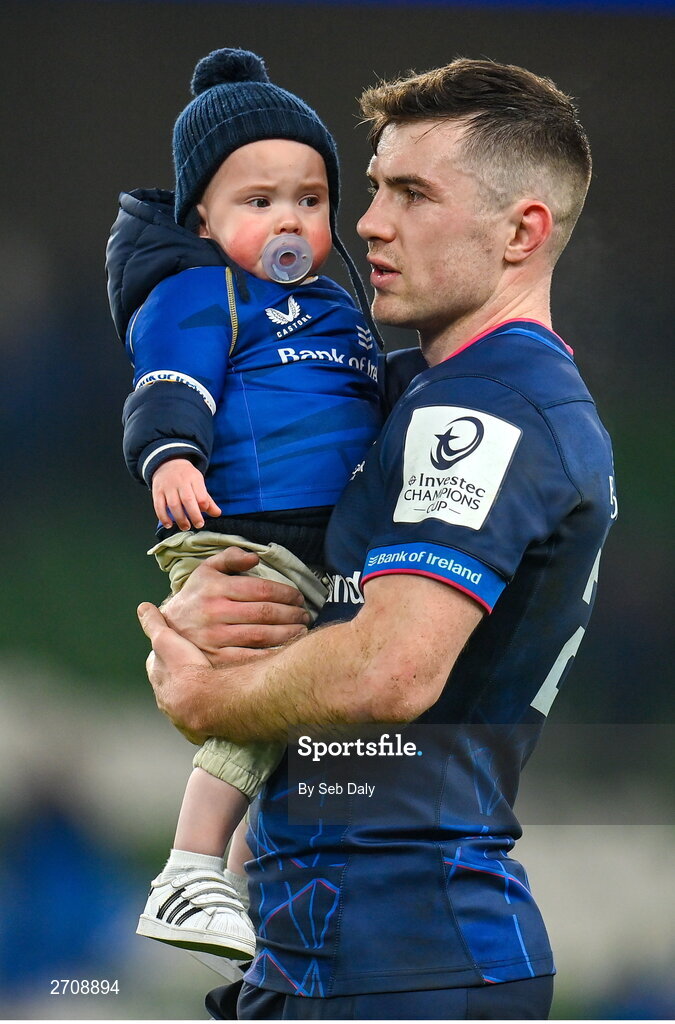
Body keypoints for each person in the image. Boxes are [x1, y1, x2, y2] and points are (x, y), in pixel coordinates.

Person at [138, 58, 617, 1020]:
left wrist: (212, 691)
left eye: (412, 193)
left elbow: (393, 669)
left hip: (415, 959)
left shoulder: (496, 407)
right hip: (321, 955)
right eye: (373, 187)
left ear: (521, 231)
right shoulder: (402, 391)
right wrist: (212, 600)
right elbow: (272, 554)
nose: (365, 222)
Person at [105, 47, 381, 961]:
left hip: (318, 542)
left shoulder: (337, 309)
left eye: (308, 198)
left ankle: (244, 876)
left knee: (311, 712)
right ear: (202, 215)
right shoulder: (201, 289)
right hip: (232, 530)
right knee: (261, 694)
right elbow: (167, 381)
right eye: (257, 202)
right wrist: (169, 455)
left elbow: (377, 391)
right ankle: (187, 873)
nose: (288, 220)